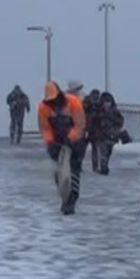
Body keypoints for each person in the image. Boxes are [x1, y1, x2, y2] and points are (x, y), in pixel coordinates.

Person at [38, 81, 88, 215]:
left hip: (75, 142)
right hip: (56, 142)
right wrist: (50, 142)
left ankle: (71, 200)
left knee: (73, 171)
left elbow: (80, 124)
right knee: (59, 173)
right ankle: (64, 197)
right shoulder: (43, 107)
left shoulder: (73, 102)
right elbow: (45, 128)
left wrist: (70, 138)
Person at [90, 92, 125, 175]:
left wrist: (115, 128)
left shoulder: (114, 111)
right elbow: (94, 123)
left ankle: (104, 165)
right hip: (101, 136)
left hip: (111, 136)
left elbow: (120, 121)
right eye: (105, 102)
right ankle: (103, 167)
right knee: (103, 152)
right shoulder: (98, 112)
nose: (107, 104)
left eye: (109, 102)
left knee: (108, 152)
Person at [84, 89, 103, 172]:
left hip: (94, 129)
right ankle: (94, 167)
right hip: (87, 129)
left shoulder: (99, 104)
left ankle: (95, 167)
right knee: (83, 149)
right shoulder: (86, 103)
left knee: (95, 149)